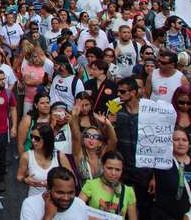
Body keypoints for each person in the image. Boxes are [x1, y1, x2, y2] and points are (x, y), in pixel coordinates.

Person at [114, 76, 152, 219]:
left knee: (143, 207)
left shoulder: (149, 111)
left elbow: (156, 145)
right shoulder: (116, 110)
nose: (119, 94)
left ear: (134, 93)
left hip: (144, 170)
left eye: (123, 92)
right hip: (122, 168)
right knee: (122, 205)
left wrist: (154, 176)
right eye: (118, 91)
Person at [79, 151, 137, 218]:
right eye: (109, 168)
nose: (113, 173)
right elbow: (77, 209)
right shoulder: (91, 185)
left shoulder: (128, 191)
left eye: (117, 170)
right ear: (102, 166)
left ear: (122, 170)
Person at [149, 127, 191, 219]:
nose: (181, 143)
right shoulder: (161, 163)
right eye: (176, 139)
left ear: (189, 143)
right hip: (163, 215)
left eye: (184, 140)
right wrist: (153, 176)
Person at [19, 167, 89, 219]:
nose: (66, 198)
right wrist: (47, 217)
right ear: (48, 188)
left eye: (71, 193)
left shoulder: (80, 205)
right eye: (60, 193)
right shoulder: (30, 205)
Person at [16, 124, 62, 196]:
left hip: (55, 198)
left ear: (46, 139)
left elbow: (70, 177)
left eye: (37, 138)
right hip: (34, 197)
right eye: (31, 137)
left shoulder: (59, 155)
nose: (32, 140)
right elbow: (19, 176)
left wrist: (55, 182)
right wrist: (25, 180)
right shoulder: (26, 156)